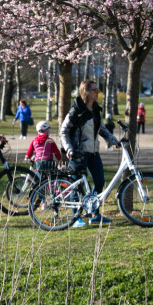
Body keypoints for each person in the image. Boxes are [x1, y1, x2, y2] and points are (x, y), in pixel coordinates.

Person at [60, 79, 120, 227]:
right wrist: (69, 149)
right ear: (86, 92)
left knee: (99, 181)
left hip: (93, 152)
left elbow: (101, 129)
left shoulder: (95, 110)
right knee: (76, 185)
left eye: (97, 90)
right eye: (94, 90)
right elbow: (64, 131)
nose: (97, 92)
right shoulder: (76, 110)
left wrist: (114, 140)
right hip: (78, 153)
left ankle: (94, 213)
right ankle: (76, 217)